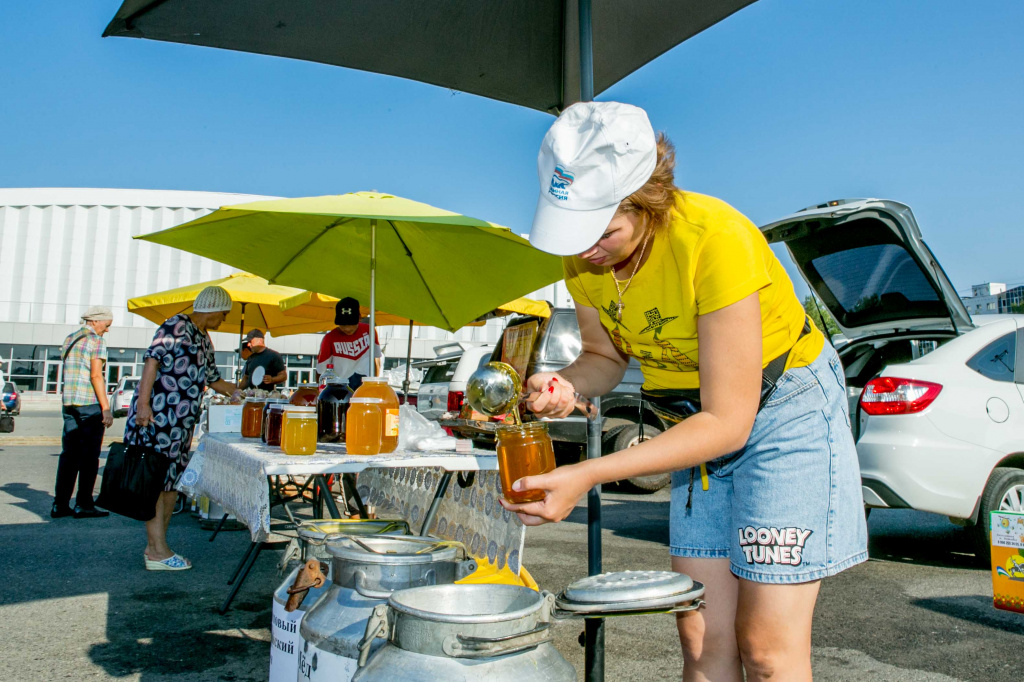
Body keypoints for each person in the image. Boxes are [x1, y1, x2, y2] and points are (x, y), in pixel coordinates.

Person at [501, 102, 867, 681]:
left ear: (647, 198)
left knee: (767, 650)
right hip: (690, 423)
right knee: (699, 638)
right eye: (576, 233)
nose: (587, 250)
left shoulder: (714, 239)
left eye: (603, 231)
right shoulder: (585, 259)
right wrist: (563, 385)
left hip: (781, 410)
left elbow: (728, 422)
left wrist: (588, 473)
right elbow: (603, 357)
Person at [123, 286, 240, 570]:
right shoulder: (176, 325)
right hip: (157, 418)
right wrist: (143, 404)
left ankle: (156, 546)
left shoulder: (204, 339)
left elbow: (214, 380)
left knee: (170, 485)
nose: (223, 320)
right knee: (154, 482)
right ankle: (158, 551)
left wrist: (241, 393)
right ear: (212, 308)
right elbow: (152, 360)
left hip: (180, 426)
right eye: (223, 314)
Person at [51, 305, 115, 519]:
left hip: (69, 403)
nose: (107, 329)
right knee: (89, 457)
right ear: (96, 321)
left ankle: (60, 505)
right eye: (107, 324)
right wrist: (106, 407)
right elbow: (96, 376)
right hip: (89, 404)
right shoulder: (96, 341)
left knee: (69, 455)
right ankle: (84, 504)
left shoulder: (70, 339)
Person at [316, 297, 382, 390]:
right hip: (340, 390)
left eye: (351, 324)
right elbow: (321, 371)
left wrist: (375, 384)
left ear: (359, 318)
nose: (347, 329)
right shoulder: (329, 338)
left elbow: (376, 360)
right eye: (343, 324)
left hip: (365, 387)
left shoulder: (370, 331)